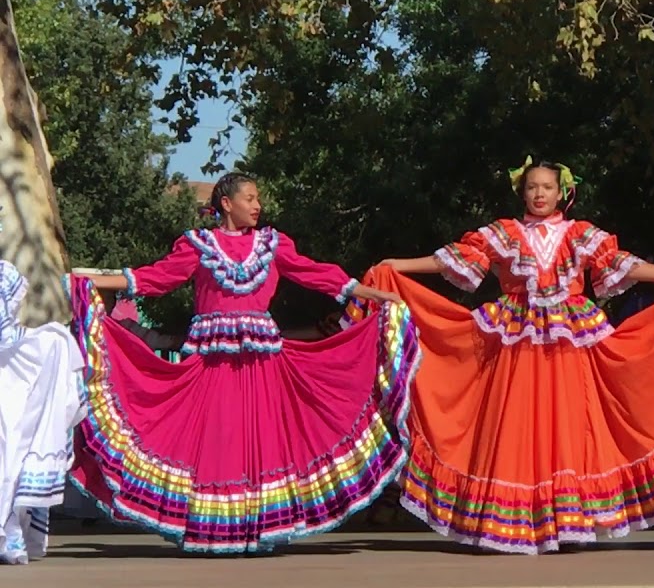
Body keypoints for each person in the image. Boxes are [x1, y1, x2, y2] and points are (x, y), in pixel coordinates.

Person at [357, 157, 654, 554]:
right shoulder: (505, 233)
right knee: (516, 422)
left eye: (547, 187)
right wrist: (400, 266)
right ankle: (512, 521)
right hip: (517, 340)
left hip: (569, 339)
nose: (539, 194)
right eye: (532, 187)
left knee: (568, 422)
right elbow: (454, 259)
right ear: (522, 192)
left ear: (563, 191)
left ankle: (567, 520)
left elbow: (624, 266)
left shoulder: (580, 234)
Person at [67, 172, 418, 554]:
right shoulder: (198, 245)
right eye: (249, 198)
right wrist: (91, 279)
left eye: (257, 199)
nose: (257, 205)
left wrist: (367, 293)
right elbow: (157, 277)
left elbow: (314, 272)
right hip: (212, 362)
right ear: (226, 204)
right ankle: (216, 527)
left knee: (262, 439)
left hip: (263, 361)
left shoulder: (272, 244)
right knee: (219, 438)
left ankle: (260, 525)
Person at [0, 239, 87, 565]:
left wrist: (49, 341)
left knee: (12, 453)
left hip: (10, 373)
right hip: (9, 367)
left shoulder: (6, 274)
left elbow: (6, 333)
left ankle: (9, 535)